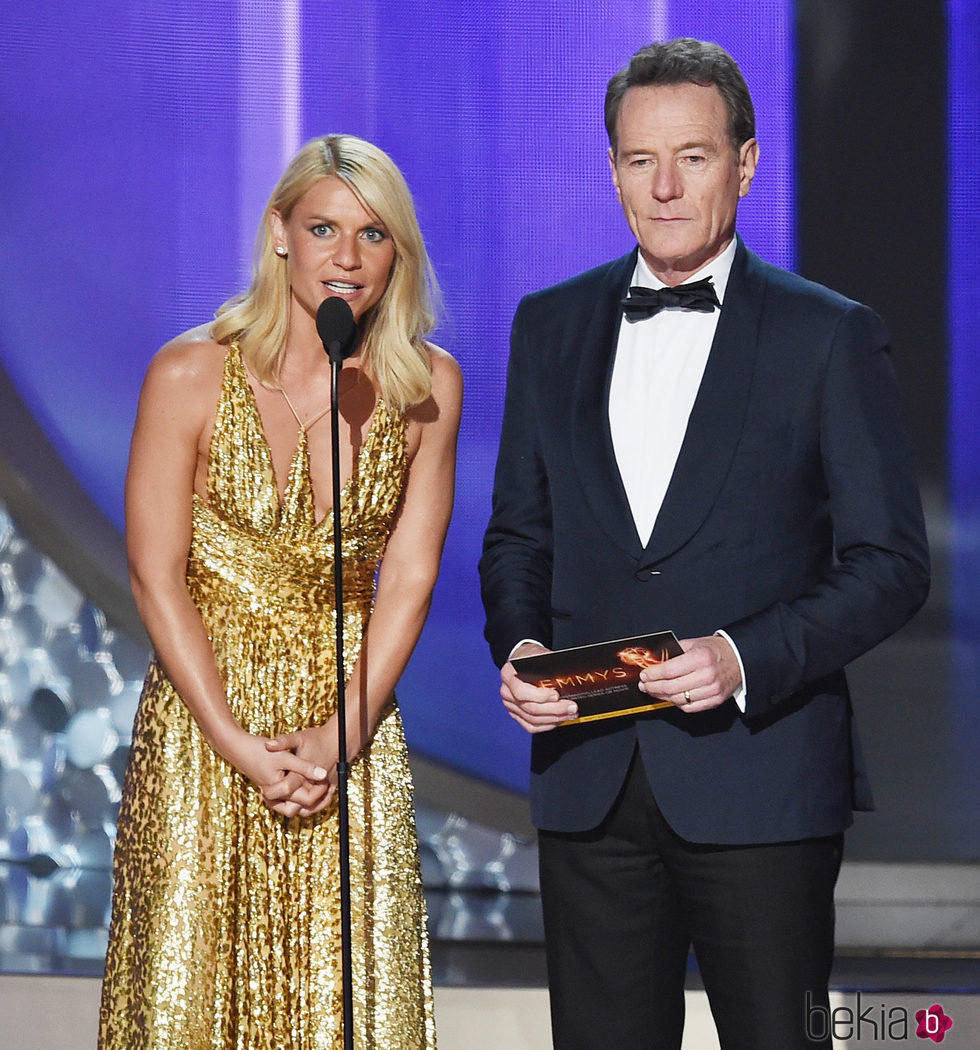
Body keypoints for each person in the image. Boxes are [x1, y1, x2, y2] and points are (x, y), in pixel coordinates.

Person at [480, 39, 928, 1050]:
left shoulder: (827, 335)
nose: (666, 186)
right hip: (587, 787)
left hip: (758, 780)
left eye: (691, 156)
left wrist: (739, 656)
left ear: (745, 163)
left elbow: (890, 565)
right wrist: (519, 651)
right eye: (640, 161)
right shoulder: (546, 326)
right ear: (611, 171)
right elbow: (517, 536)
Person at [99, 134, 462, 1049]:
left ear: (398, 254)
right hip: (205, 728)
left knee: (345, 1001)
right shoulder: (188, 373)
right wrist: (237, 743)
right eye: (324, 228)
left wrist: (342, 734)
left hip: (350, 722)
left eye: (374, 236)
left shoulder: (429, 389)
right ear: (280, 234)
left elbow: (410, 578)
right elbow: (157, 572)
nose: (347, 257)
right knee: (187, 999)